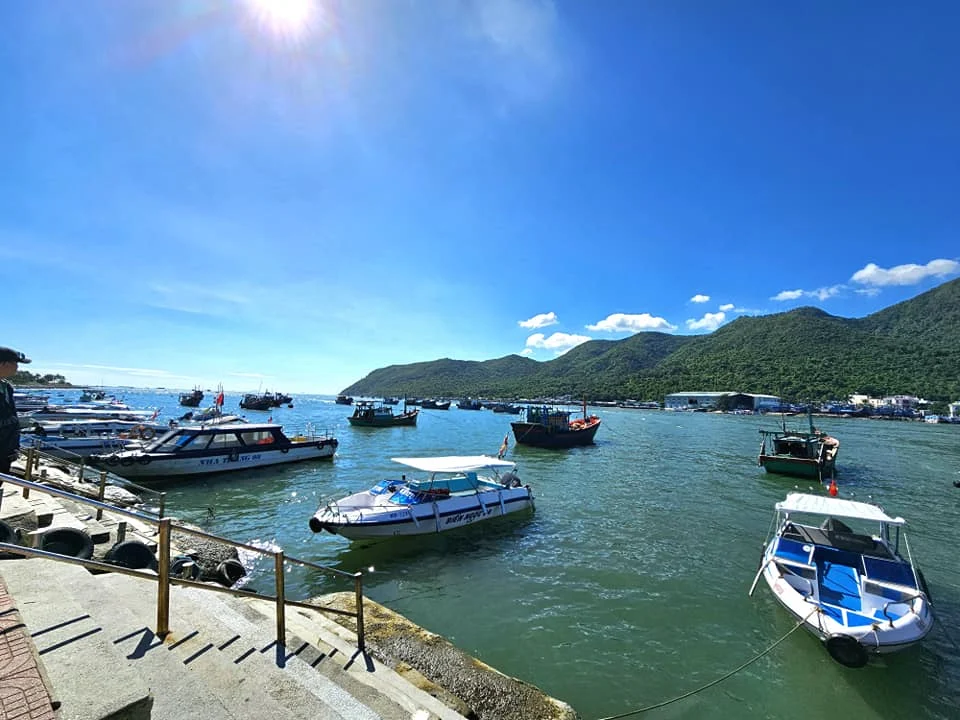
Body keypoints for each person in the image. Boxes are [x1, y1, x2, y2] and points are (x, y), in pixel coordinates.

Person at [0, 346, 31, 475]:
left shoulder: (6, 386)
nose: (17, 368)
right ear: (3, 363)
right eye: (15, 363)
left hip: (7, 449)